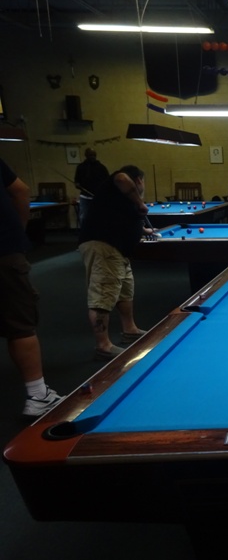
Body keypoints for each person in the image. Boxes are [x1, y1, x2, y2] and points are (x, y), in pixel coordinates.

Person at [0, 157, 63, 416]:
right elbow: (21, 191)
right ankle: (38, 396)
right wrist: (17, 232)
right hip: (4, 253)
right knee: (20, 325)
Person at [78, 165, 152, 361]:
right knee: (103, 295)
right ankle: (103, 345)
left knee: (124, 290)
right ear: (138, 180)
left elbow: (122, 218)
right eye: (143, 182)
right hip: (104, 247)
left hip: (118, 251)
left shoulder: (121, 197)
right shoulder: (120, 181)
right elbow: (121, 178)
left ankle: (130, 329)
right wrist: (140, 202)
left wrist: (144, 230)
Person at [74, 147, 109, 228]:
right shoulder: (81, 167)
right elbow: (76, 181)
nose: (93, 157)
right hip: (84, 196)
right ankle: (84, 233)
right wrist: (77, 184)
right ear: (86, 155)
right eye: (90, 155)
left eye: (94, 155)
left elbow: (107, 182)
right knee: (83, 217)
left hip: (98, 197)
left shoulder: (101, 167)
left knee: (99, 217)